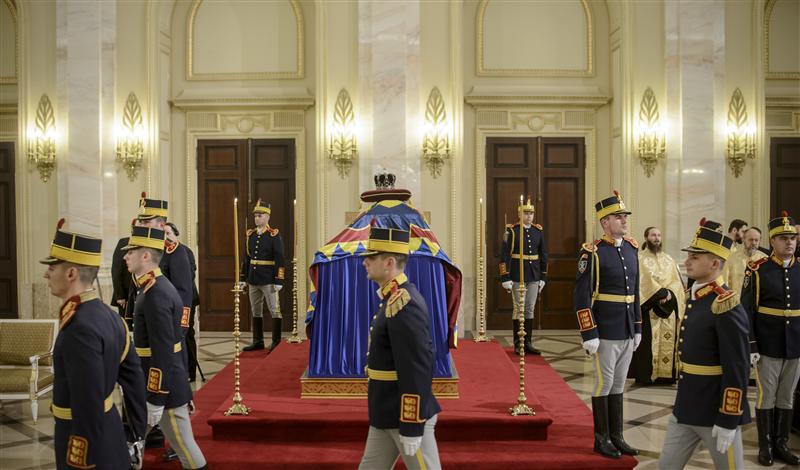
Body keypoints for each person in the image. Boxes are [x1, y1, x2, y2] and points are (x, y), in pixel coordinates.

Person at [42, 218, 146, 469]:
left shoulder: (79, 327)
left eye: (52, 267)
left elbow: (87, 399)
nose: (46, 273)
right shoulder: (110, 316)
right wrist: (136, 435)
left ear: (71, 273)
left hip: (87, 440)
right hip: (110, 432)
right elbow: (133, 380)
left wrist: (82, 456)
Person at [659, 218, 750, 470]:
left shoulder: (725, 304)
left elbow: (738, 367)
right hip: (686, 407)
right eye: (690, 256)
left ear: (715, 263)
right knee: (666, 466)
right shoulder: (694, 297)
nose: (687, 261)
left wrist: (729, 419)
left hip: (715, 411)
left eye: (695, 257)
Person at [122, 225, 208, 470]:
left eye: (131, 251)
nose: (125, 256)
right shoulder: (150, 287)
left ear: (146, 256)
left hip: (163, 388)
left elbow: (164, 351)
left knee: (185, 447)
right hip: (161, 382)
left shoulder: (156, 293)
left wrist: (156, 398)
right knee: (137, 443)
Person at [358, 224, 441, 469]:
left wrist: (412, 425)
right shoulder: (392, 297)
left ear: (389, 262)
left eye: (371, 258)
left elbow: (416, 366)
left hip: (404, 415)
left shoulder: (405, 303)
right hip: (385, 410)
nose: (365, 263)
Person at [573, 190, 641, 458]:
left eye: (625, 216)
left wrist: (637, 326)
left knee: (619, 384)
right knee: (604, 383)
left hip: (625, 328)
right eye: (618, 216)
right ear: (604, 222)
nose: (624, 220)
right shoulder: (593, 253)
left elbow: (635, 292)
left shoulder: (632, 248)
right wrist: (589, 332)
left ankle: (617, 436)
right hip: (605, 330)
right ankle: (601, 439)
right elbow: (581, 296)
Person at [742, 212, 800, 466]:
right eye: (784, 238)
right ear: (773, 241)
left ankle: (782, 443)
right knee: (766, 396)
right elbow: (746, 311)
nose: (790, 242)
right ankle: (765, 444)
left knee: (787, 395)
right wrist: (751, 343)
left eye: (793, 238)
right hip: (768, 344)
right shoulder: (758, 270)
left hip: (795, 344)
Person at [629, 227, 685, 385]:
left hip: (669, 308)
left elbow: (677, 283)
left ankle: (665, 376)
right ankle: (646, 375)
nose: (657, 238)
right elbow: (640, 283)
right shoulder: (639, 258)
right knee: (647, 345)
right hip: (648, 308)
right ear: (646, 237)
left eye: (659, 235)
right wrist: (659, 293)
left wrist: (669, 294)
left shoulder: (669, 260)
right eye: (653, 235)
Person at [499, 197, 547, 355]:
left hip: (534, 275)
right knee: (518, 309)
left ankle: (528, 343)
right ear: (519, 214)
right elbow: (504, 255)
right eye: (526, 213)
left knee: (530, 309)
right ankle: (518, 343)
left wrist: (543, 277)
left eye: (531, 213)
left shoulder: (538, 231)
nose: (529, 216)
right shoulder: (512, 231)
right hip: (516, 275)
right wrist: (505, 276)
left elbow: (544, 255)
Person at [240, 199, 286, 352]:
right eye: (255, 216)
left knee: (275, 309)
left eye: (260, 215)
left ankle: (276, 341)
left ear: (267, 217)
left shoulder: (274, 235)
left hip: (268, 280)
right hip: (253, 279)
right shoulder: (251, 235)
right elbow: (246, 259)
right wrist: (243, 279)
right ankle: (258, 341)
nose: (257, 218)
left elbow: (280, 259)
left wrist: (279, 279)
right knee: (256, 310)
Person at [165, 222, 201, 382]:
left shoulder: (184, 251)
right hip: (169, 300)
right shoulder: (161, 252)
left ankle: (189, 371)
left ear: (175, 234)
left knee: (187, 334)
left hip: (187, 298)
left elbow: (189, 275)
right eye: (163, 233)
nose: (166, 237)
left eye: (168, 233)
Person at [722, 227, 767, 291]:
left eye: (756, 240)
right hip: (737, 300)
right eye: (751, 240)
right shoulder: (731, 259)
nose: (754, 243)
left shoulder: (765, 259)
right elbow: (725, 284)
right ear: (743, 239)